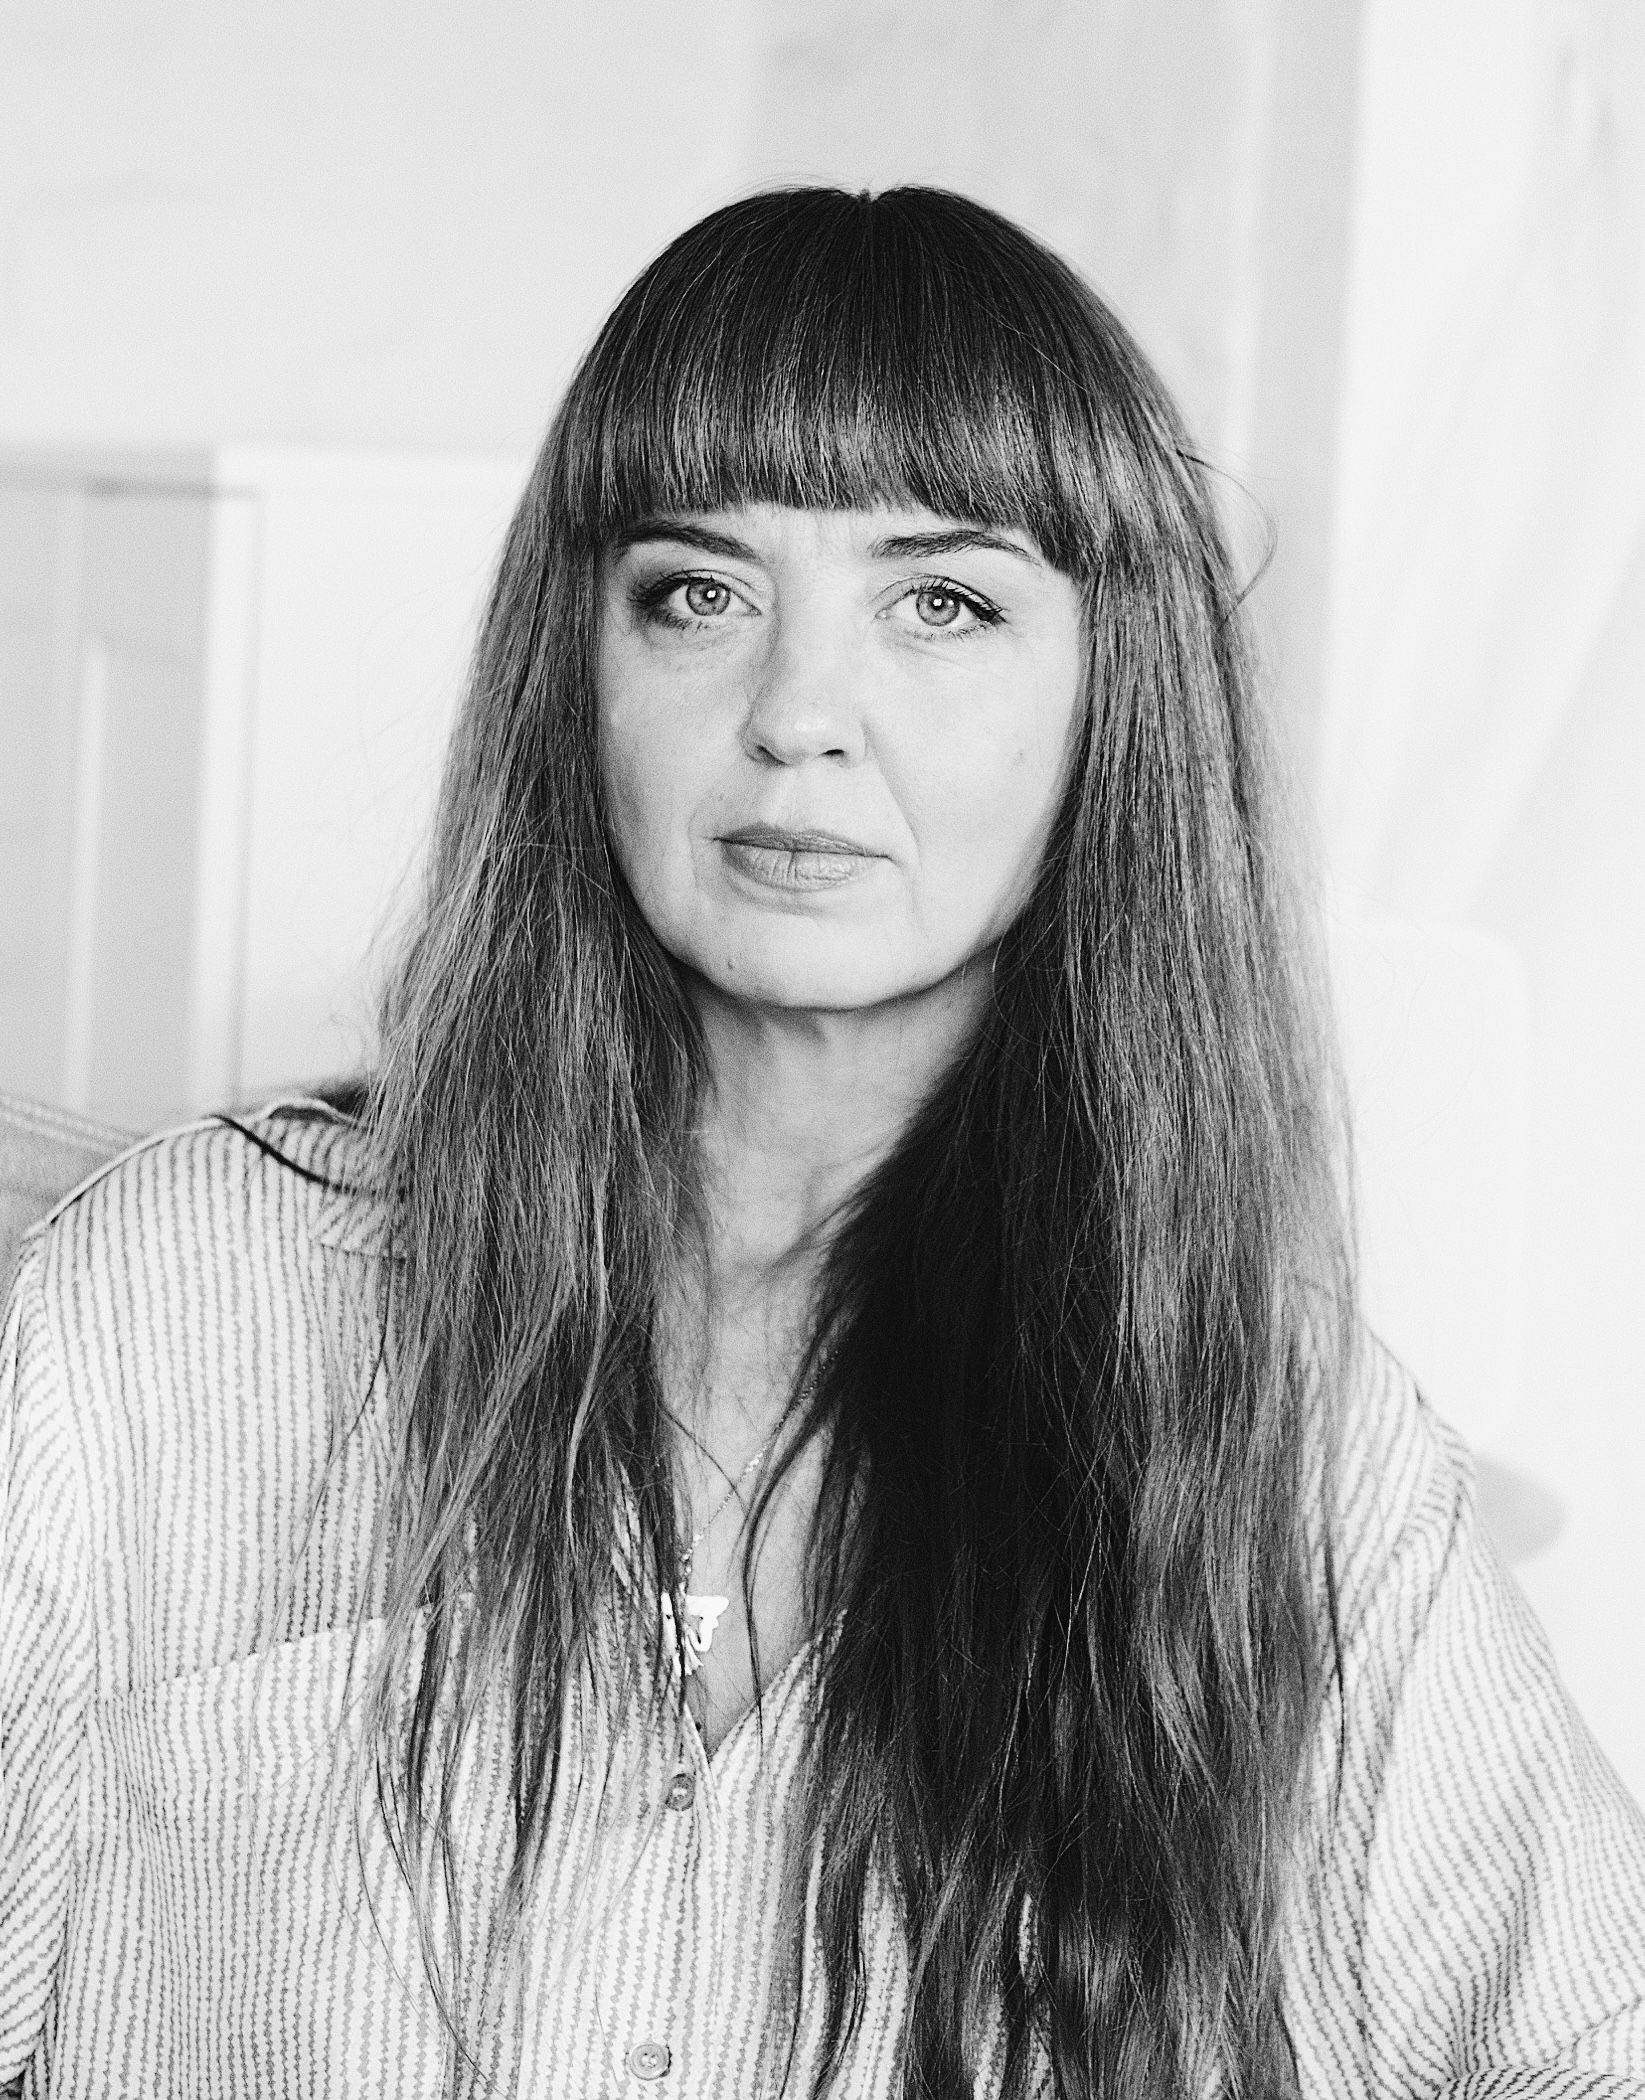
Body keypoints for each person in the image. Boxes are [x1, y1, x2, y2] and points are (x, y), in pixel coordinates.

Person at [2, 186, 1643, 2100]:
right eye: (697, 592)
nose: (795, 715)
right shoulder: (175, 1296)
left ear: (1112, 701)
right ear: (580, 672)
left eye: (940, 603)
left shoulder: (1275, 1438)